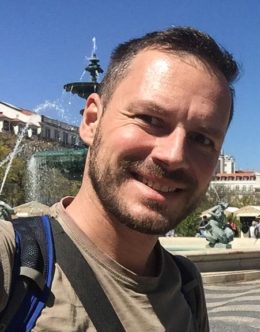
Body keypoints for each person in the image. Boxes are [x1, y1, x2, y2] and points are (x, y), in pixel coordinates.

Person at [0, 26, 238, 331]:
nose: (174, 155)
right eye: (150, 120)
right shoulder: (14, 263)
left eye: (202, 139)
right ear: (91, 121)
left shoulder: (187, 286)